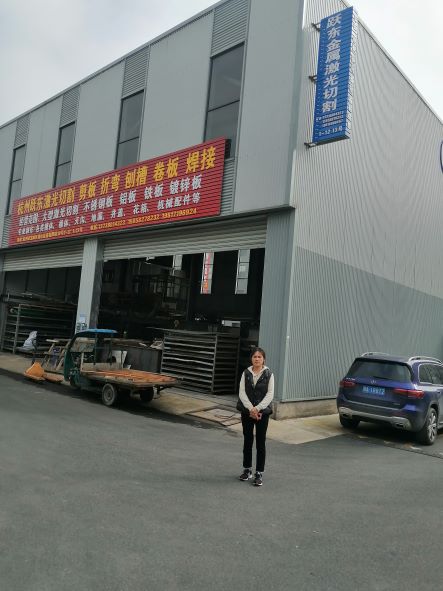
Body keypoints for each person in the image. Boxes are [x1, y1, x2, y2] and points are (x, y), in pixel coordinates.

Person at [237, 347, 274, 487]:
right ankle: (247, 470)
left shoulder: (269, 374)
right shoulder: (246, 373)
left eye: (259, 357)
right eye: (254, 356)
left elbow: (270, 394)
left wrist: (257, 408)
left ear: (264, 359)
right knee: (247, 440)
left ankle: (259, 472)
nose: (257, 359)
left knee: (260, 442)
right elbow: (241, 392)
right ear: (251, 359)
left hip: (262, 413)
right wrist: (250, 409)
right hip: (247, 412)